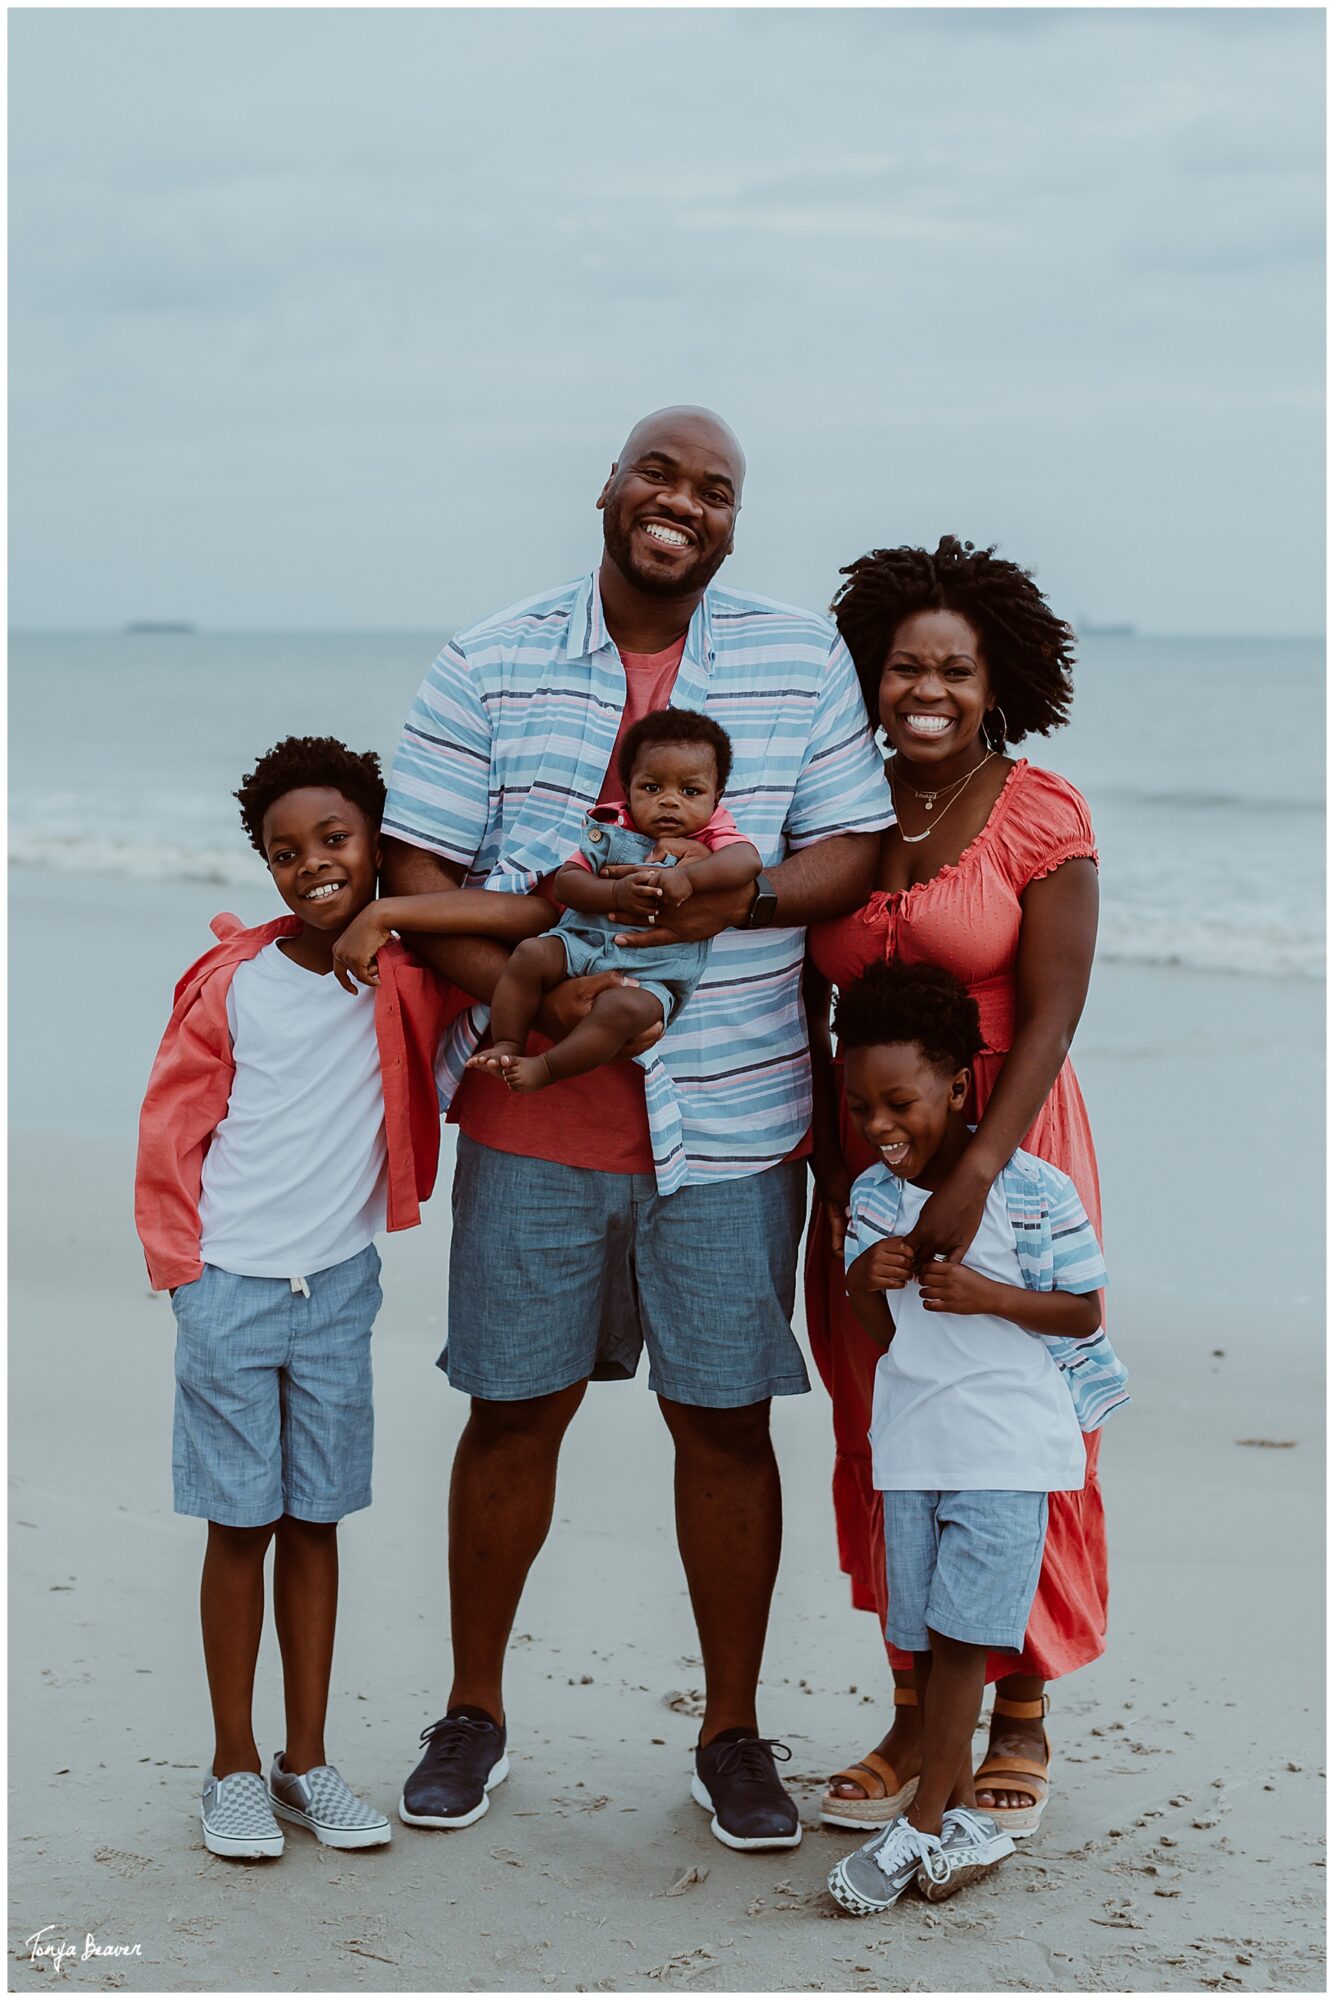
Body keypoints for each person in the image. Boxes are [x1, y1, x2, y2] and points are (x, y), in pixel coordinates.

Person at [378, 405, 891, 1850]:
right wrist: (535, 1013)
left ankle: (731, 1734)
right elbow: (418, 857)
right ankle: (471, 1712)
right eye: (658, 474)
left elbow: (848, 846)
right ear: (607, 489)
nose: (682, 503)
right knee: (511, 1410)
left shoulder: (799, 661)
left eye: (713, 490)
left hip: (730, 1119)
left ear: (733, 522)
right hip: (534, 1116)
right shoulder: (489, 657)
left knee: (724, 1423)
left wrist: (745, 896)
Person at [133, 736, 487, 1860]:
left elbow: (521, 922)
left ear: (377, 840)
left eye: (335, 839)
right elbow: (170, 1130)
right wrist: (183, 1275)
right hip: (229, 1284)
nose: (313, 865)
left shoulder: (412, 970)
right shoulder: (234, 983)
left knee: (315, 1517)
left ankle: (306, 1760)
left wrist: (400, 919)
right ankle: (232, 1763)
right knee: (239, 1524)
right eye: (286, 851)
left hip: (337, 1288)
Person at [805, 535, 1105, 1841]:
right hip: (865, 1158)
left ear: (995, 681)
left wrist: (978, 1174)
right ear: (867, 677)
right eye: (900, 666)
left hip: (1011, 1154)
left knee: (1015, 1429)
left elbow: (1049, 1015)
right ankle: (916, 1700)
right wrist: (833, 1177)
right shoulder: (838, 807)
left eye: (953, 668)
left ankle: (1020, 1709)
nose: (924, 688)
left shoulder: (1038, 809)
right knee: (890, 1426)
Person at [822, 959, 1115, 1915]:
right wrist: (868, 1281)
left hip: (1005, 1451)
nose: (879, 1126)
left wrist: (990, 1296)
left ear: (957, 1084)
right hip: (914, 1451)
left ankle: (921, 1826)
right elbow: (885, 1339)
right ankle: (964, 1826)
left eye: (899, 1101)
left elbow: (1082, 1314)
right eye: (861, 1107)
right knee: (920, 1637)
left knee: (960, 1641)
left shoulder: (1035, 1193)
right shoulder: (873, 1200)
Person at [465, 709, 761, 1092]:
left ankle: (547, 1068)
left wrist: (689, 877)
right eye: (652, 788)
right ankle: (507, 1041)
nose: (669, 802)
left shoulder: (713, 833)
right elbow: (568, 884)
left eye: (690, 792)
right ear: (627, 785)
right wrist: (615, 892)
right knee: (529, 955)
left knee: (621, 1009)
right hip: (581, 945)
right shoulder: (610, 827)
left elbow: (747, 861)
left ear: (717, 795)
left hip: (655, 976)